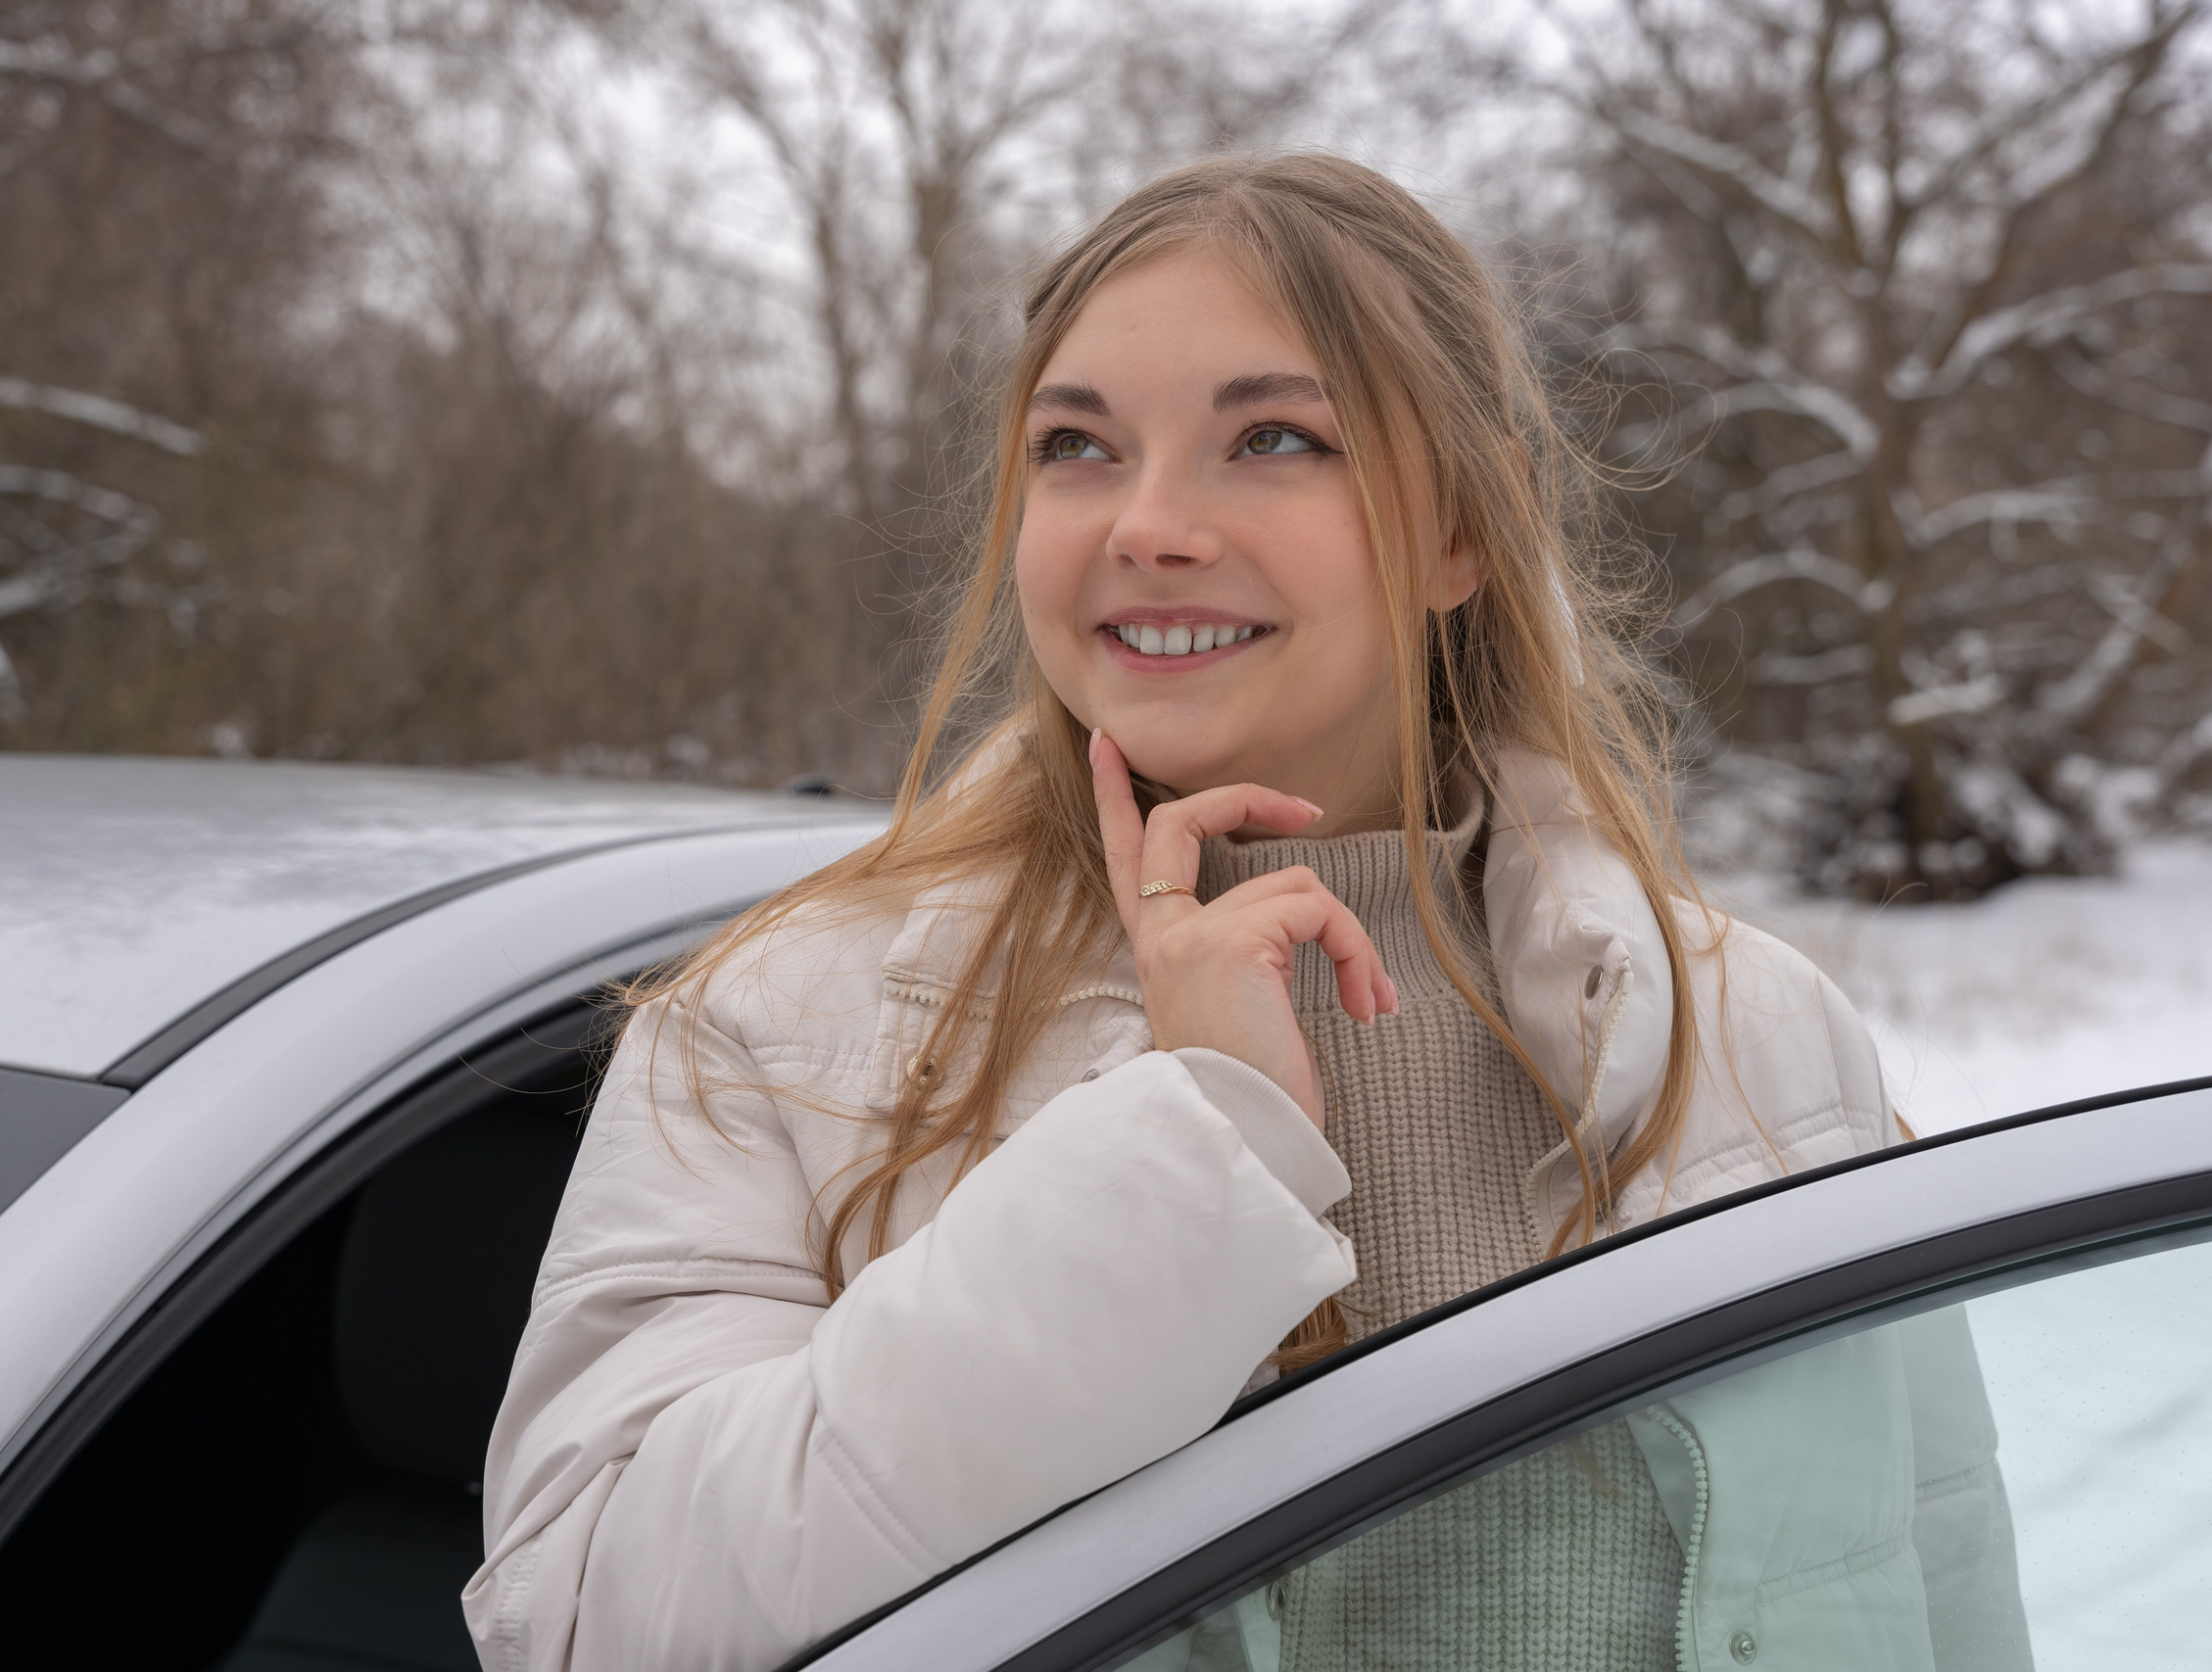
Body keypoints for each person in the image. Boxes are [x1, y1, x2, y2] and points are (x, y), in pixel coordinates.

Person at [462, 152, 2026, 1672]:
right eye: (1077, 447)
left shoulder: (1755, 1041)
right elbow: (590, 1618)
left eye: (1273, 439)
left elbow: (1941, 1586)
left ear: (1464, 532)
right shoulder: (773, 1027)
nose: (1146, 522)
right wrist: (1177, 1154)